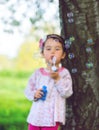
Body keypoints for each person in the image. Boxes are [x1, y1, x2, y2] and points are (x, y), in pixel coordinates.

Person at [24, 34, 73, 130]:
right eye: (48, 49)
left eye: (57, 49)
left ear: (63, 55)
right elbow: (28, 90)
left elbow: (67, 92)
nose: (53, 52)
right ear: (42, 53)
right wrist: (35, 94)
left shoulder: (63, 73)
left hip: (52, 119)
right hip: (36, 116)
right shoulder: (38, 73)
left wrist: (57, 79)